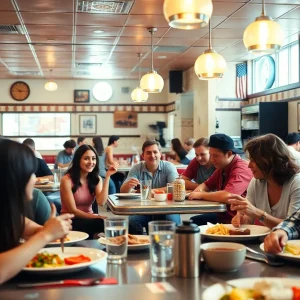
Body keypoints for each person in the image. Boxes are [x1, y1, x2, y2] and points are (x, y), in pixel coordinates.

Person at [0, 139, 73, 284]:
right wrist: (46, 234)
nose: (35, 179)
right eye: (32, 173)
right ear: (16, 177)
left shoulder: (7, 210)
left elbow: (30, 229)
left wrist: (50, 229)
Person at [228, 134, 300, 229]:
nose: (249, 166)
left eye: (253, 160)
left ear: (269, 160)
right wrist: (241, 217)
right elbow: (249, 221)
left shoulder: (296, 183)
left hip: (288, 243)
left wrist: (259, 214)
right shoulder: (256, 182)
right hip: (264, 241)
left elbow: (293, 226)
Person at [188, 133, 252, 224]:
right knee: (192, 222)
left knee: (193, 224)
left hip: (238, 221)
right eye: (211, 155)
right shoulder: (222, 167)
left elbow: (228, 196)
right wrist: (199, 191)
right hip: (223, 215)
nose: (212, 159)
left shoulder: (241, 169)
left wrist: (201, 195)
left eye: (215, 156)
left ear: (229, 154)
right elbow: (206, 184)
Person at [120, 140, 180, 234]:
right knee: (132, 221)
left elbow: (174, 187)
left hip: (168, 209)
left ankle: (172, 247)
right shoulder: (136, 168)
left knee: (173, 221)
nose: (152, 156)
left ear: (160, 154)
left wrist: (149, 191)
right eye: (148, 153)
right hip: (143, 209)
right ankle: (139, 246)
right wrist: (128, 185)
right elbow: (123, 191)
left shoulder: (169, 167)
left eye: (155, 152)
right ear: (143, 155)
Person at [60, 144, 118, 238]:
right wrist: (95, 216)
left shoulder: (95, 179)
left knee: (115, 225)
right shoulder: (66, 180)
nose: (91, 162)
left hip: (90, 220)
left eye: (93, 158)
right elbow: (73, 211)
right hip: (70, 221)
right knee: (102, 223)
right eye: (86, 158)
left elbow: (101, 202)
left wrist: (107, 177)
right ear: (78, 160)